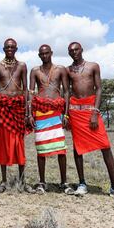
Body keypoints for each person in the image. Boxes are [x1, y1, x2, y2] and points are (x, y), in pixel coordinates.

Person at [66, 42, 114, 202]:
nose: (74, 52)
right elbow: (67, 91)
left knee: (105, 146)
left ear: (82, 49)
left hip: (91, 111)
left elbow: (99, 88)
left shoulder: (93, 66)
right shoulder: (68, 71)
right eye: (70, 51)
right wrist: (66, 114)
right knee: (77, 148)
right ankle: (82, 183)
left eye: (76, 49)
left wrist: (95, 112)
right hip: (75, 111)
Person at [28, 44, 74, 195]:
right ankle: (42, 182)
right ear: (39, 55)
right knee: (41, 149)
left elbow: (66, 91)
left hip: (56, 111)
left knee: (61, 149)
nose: (44, 55)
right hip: (40, 113)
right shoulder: (35, 71)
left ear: (51, 53)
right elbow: (31, 93)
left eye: (47, 53)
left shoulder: (60, 69)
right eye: (42, 54)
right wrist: (29, 114)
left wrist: (66, 114)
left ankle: (64, 182)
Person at [0, 38, 32, 193]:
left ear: (16, 49)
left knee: (19, 144)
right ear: (3, 49)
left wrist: (27, 113)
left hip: (18, 109)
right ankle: (3, 180)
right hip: (2, 110)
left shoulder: (22, 66)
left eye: (12, 47)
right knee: (3, 144)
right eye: (7, 47)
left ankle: (21, 179)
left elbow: (25, 89)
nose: (10, 49)